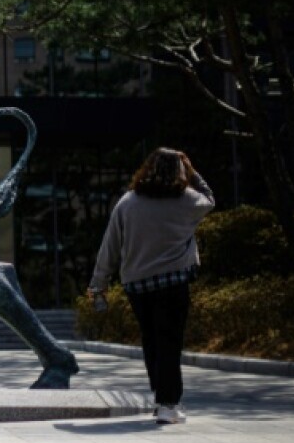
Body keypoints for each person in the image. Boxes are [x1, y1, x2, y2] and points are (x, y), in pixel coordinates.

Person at [89, 149, 214, 425]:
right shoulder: (187, 200)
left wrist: (99, 285)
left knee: (152, 341)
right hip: (173, 281)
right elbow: (210, 199)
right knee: (169, 341)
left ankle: (161, 397)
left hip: (137, 285)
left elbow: (109, 246)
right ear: (180, 171)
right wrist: (193, 172)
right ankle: (168, 404)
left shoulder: (127, 202)